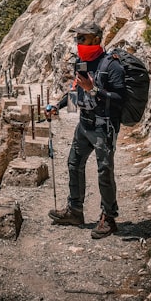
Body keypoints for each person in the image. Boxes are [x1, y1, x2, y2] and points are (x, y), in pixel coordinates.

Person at [46, 21, 126, 239]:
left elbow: (119, 99)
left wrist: (94, 89)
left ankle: (109, 218)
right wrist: (58, 106)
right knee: (74, 164)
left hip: (104, 127)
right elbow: (75, 91)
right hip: (85, 123)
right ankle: (75, 211)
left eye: (83, 38)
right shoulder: (81, 63)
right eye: (77, 37)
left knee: (104, 171)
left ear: (97, 40)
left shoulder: (112, 65)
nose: (78, 41)